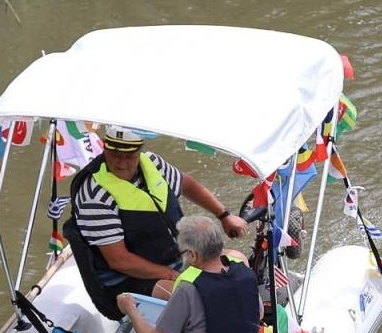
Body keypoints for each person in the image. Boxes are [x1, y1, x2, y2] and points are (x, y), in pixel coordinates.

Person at [70, 125, 249, 300]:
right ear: (104, 147)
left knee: (238, 261)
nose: (121, 164)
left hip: (177, 259)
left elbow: (187, 184)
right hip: (130, 280)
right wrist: (172, 274)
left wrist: (224, 216)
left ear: (140, 150)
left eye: (129, 156)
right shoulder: (93, 195)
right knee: (197, 296)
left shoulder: (152, 162)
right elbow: (119, 260)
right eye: (115, 155)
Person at [116, 214, 264, 333]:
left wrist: (130, 310)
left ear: (193, 255)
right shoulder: (245, 273)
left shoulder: (189, 287)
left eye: (183, 252)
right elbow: (258, 314)